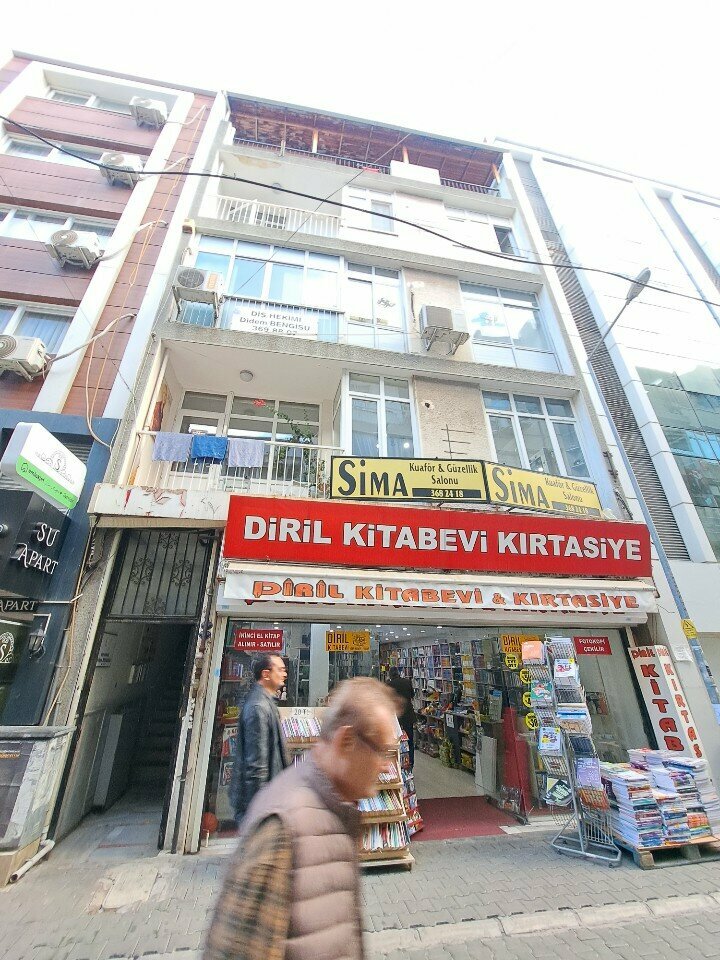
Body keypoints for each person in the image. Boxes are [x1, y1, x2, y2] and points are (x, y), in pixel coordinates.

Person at [204, 677, 399, 960]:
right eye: (380, 750)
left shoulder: (336, 811)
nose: (386, 766)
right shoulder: (280, 829)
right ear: (345, 741)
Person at [230, 652, 289, 824]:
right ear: (266, 674)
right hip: (261, 806)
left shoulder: (265, 702)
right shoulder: (258, 707)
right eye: (280, 669)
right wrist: (262, 811)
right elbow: (256, 767)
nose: (284, 673)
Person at [387, 666, 415, 770]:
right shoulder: (407, 682)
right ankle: (410, 764)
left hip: (395, 717)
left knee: (396, 741)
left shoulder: (388, 685)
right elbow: (412, 695)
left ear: (390, 675)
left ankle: (398, 764)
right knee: (410, 741)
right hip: (408, 715)